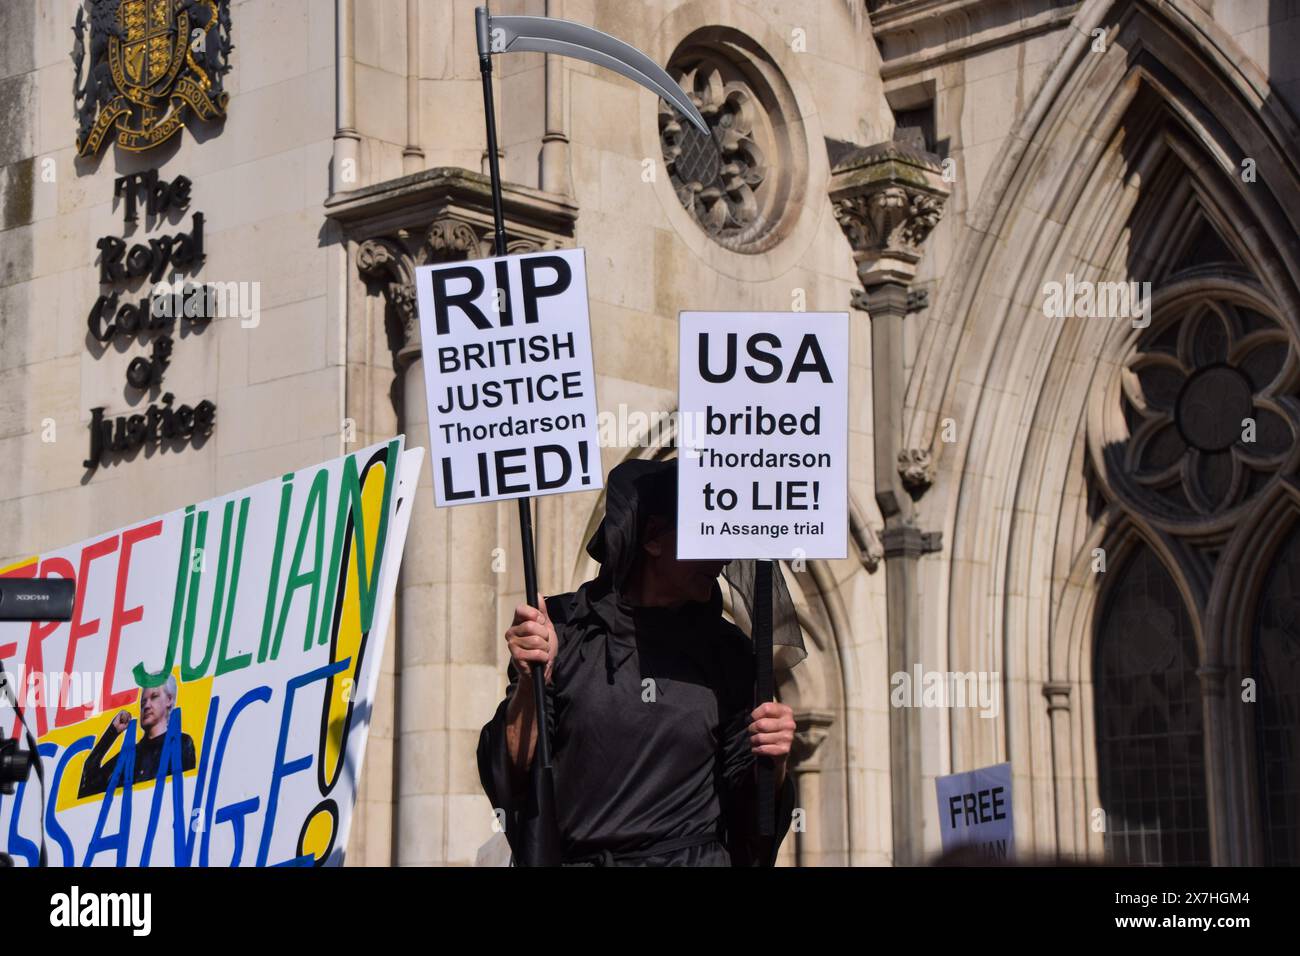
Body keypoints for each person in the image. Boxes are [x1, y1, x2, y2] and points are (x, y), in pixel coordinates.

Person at [478, 458, 798, 866]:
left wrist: (775, 756)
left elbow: (752, 816)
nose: (723, 556)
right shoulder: (562, 628)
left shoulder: (729, 653)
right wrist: (531, 679)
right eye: (707, 533)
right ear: (652, 538)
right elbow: (516, 772)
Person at [78, 675, 197, 798]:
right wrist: (112, 732)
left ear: (169, 700)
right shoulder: (129, 755)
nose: (146, 706)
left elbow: (184, 792)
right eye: (143, 702)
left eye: (154, 697)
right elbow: (87, 788)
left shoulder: (181, 744)